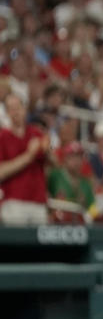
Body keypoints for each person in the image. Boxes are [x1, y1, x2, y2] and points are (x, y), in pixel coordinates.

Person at [0, 93, 50, 225]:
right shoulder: (3, 137)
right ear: (7, 113)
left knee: (40, 244)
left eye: (18, 107)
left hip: (38, 201)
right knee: (16, 243)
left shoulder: (36, 133)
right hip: (14, 201)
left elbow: (54, 162)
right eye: (11, 108)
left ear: (25, 109)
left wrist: (47, 148)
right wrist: (29, 156)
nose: (15, 112)